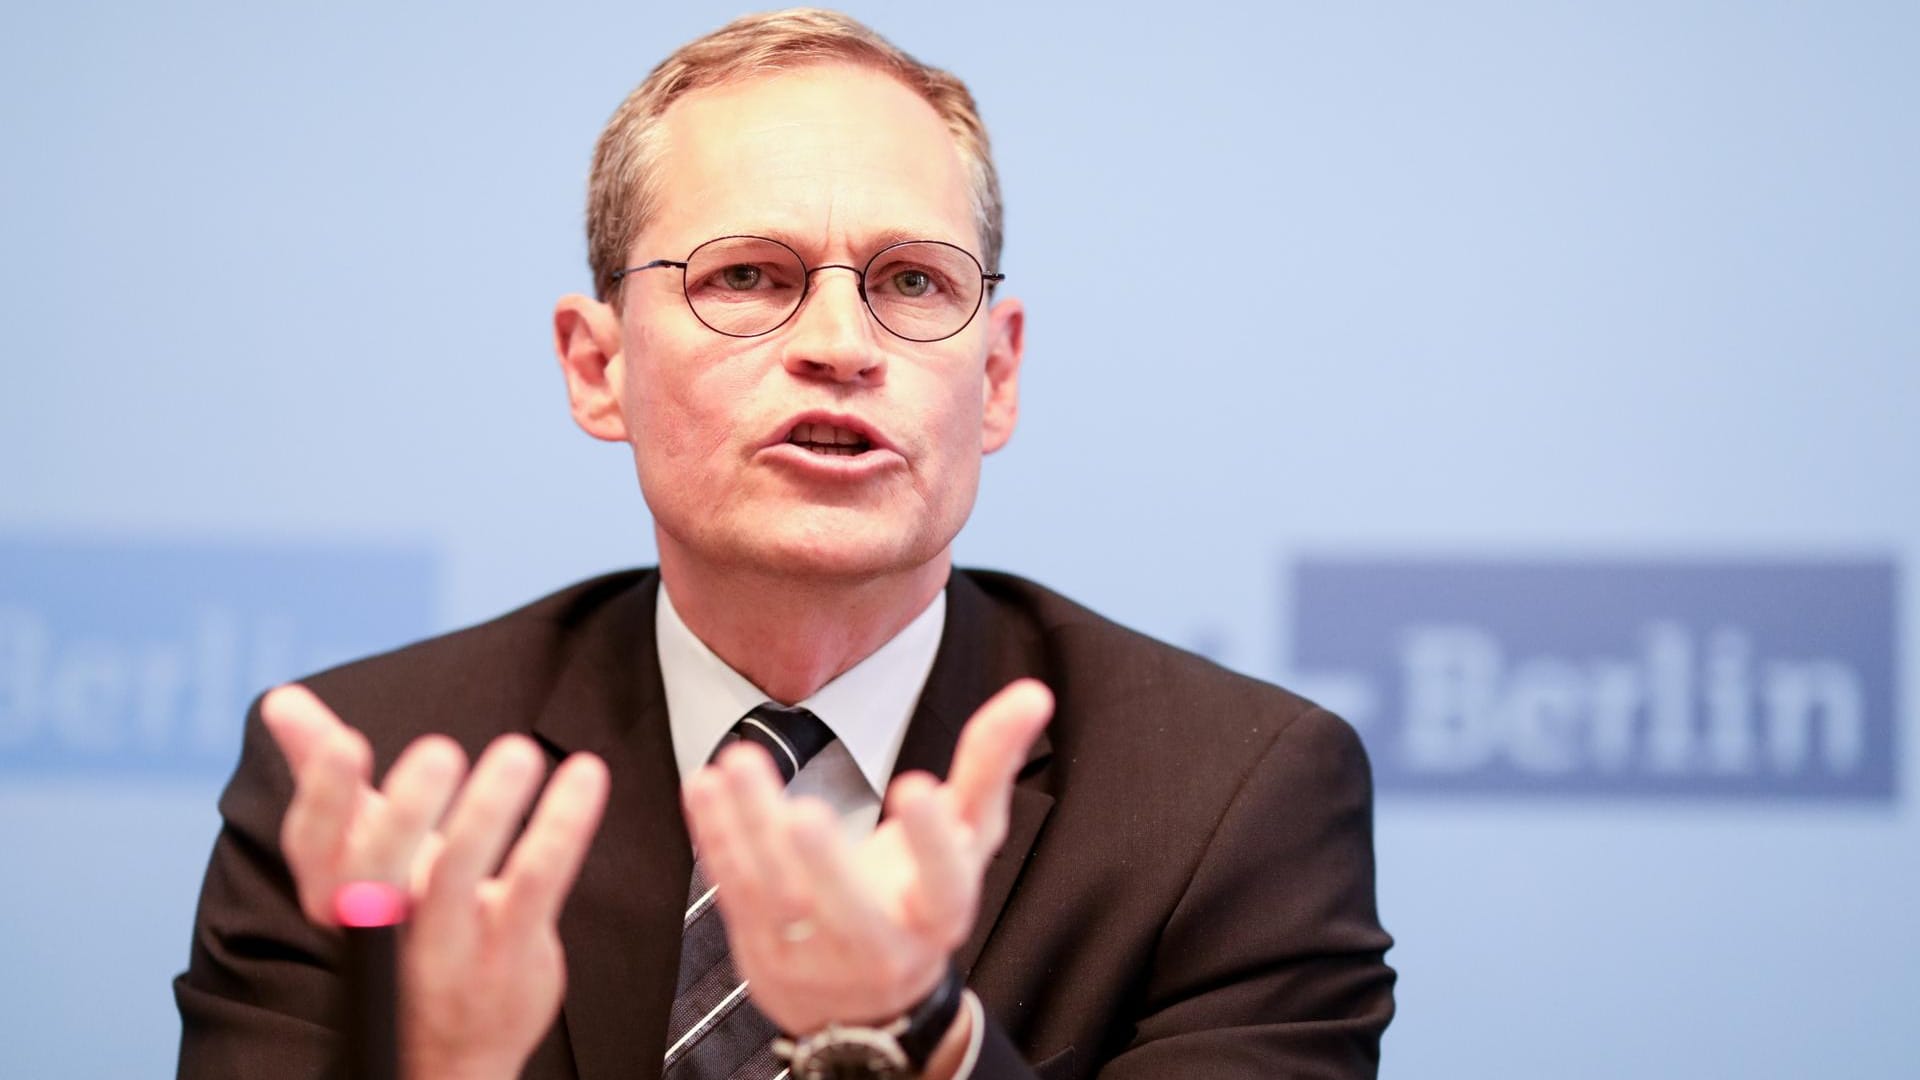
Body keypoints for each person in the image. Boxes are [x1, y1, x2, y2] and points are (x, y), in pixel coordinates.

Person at [174, 9, 1394, 1079]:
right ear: (598, 368)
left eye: (913, 283)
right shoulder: (370, 791)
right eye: (750, 276)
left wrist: (922, 1040)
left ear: (1000, 373)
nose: (842, 344)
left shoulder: (1229, 802)